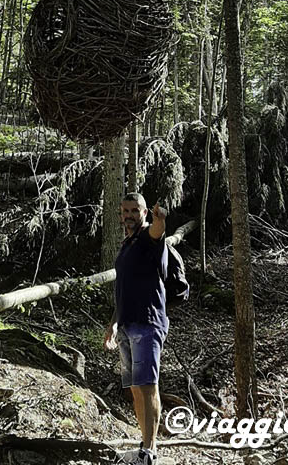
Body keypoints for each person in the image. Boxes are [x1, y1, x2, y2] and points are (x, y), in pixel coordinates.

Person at [104, 192, 168, 465]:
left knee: (148, 387)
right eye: (125, 211)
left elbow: (157, 231)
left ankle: (150, 453)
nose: (129, 215)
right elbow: (124, 291)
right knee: (134, 389)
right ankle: (144, 447)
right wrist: (113, 323)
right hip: (127, 326)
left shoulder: (146, 238)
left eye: (134, 210)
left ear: (143, 213)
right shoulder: (127, 244)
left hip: (147, 324)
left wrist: (160, 218)